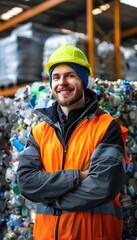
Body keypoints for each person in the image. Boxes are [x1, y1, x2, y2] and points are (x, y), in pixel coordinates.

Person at [17, 43, 129, 240]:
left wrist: (51, 198)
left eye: (70, 75)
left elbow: (103, 186)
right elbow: (26, 182)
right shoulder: (39, 132)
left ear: (83, 80)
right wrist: (77, 176)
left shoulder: (106, 127)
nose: (62, 83)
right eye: (56, 77)